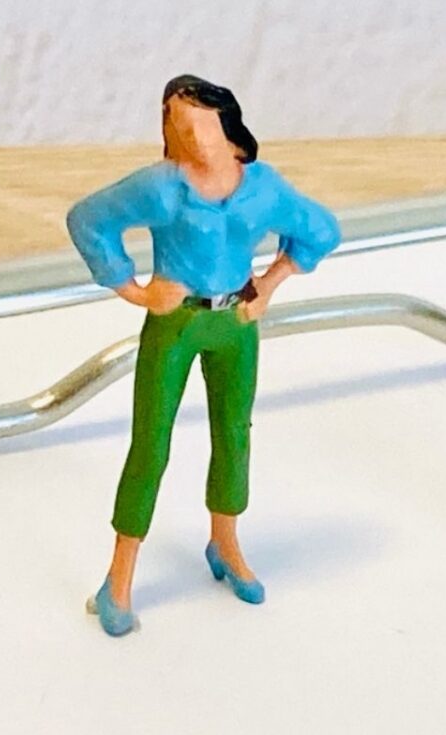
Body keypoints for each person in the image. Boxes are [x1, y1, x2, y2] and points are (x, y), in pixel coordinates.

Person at [66, 75, 340, 637]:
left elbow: (320, 229)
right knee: (151, 443)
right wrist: (136, 291)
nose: (188, 134)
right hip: (176, 323)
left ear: (227, 125)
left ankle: (225, 542)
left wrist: (270, 283)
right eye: (176, 122)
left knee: (235, 433)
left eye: (198, 121)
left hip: (236, 322)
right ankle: (119, 578)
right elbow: (89, 220)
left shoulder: (261, 188)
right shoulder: (163, 188)